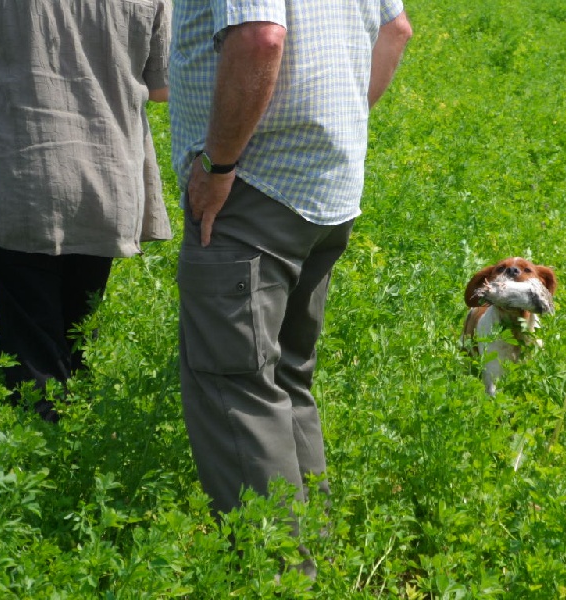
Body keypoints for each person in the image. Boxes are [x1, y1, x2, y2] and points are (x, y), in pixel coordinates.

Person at [170, 0, 411, 554]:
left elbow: (260, 38)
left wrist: (218, 165)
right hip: (326, 187)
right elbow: (396, 30)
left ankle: (276, 576)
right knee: (286, 375)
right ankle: (316, 551)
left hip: (253, 187)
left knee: (238, 385)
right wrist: (337, 124)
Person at [0, 0, 172, 422]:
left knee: (31, 347)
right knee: (76, 334)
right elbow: (161, 87)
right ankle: (76, 444)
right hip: (105, 180)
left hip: (23, 176)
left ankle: (42, 459)